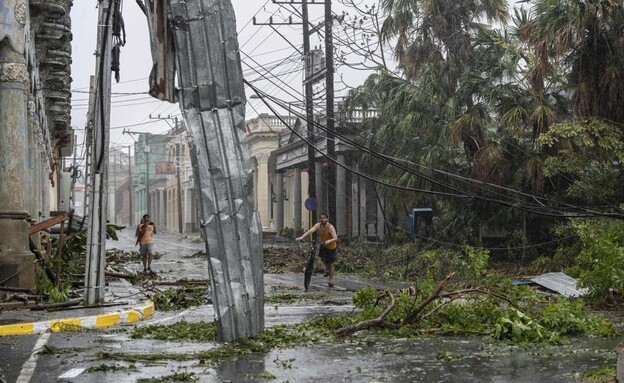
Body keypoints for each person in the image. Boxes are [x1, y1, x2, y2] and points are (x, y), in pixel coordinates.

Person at [296, 213, 338, 287]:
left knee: (331, 263)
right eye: (321, 218)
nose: (322, 220)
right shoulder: (318, 225)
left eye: (324, 218)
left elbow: (335, 238)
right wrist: (302, 237)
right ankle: (327, 269)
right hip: (323, 244)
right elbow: (310, 231)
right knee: (322, 259)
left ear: (327, 219)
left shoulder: (330, 227)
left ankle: (330, 280)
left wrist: (329, 241)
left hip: (331, 246)